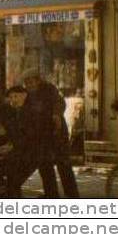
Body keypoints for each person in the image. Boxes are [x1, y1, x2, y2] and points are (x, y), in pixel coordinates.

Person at [24, 69, 80, 198]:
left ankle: (72, 195)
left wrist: (56, 114)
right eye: (26, 83)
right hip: (42, 134)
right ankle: (51, 194)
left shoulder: (49, 89)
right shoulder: (28, 94)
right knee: (45, 165)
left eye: (30, 82)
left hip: (56, 132)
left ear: (38, 80)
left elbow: (59, 102)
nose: (28, 85)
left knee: (63, 164)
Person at [0, 85, 39, 198]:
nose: (13, 100)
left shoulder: (30, 112)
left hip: (31, 152)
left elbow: (29, 136)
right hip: (19, 150)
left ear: (24, 95)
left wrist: (12, 145)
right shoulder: (14, 112)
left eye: (15, 96)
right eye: (11, 97)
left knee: (13, 177)